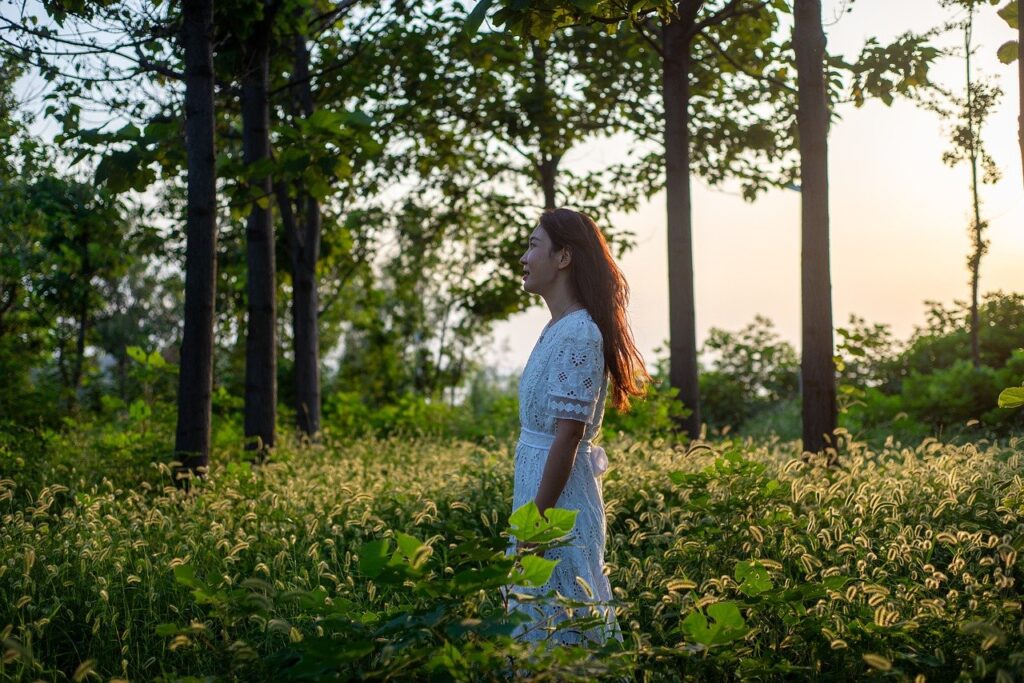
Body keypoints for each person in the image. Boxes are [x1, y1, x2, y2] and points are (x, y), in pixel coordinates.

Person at [504, 207, 652, 647]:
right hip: (539, 490)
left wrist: (537, 524)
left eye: (533, 245)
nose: (524, 258)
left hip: (557, 504)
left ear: (564, 257)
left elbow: (568, 435)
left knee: (566, 612)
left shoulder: (579, 335)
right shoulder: (557, 328)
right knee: (539, 616)